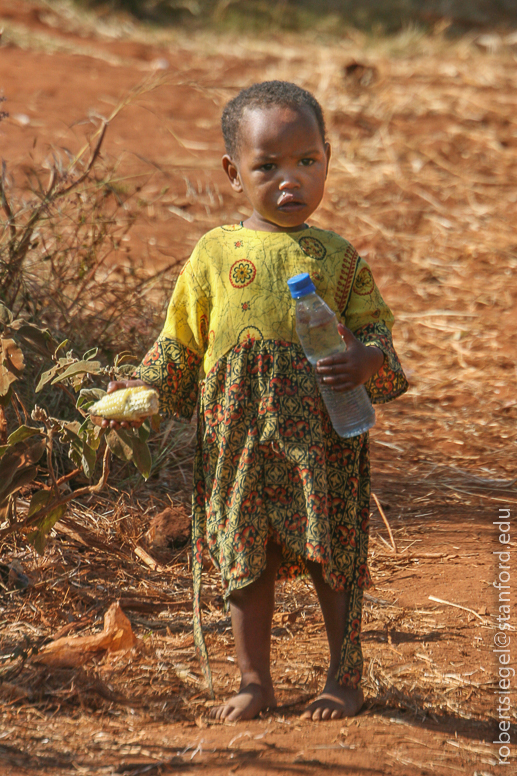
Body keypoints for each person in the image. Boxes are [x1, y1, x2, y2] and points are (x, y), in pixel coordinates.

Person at [105, 81, 408, 722]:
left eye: (307, 162)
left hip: (321, 437)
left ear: (328, 157)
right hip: (237, 437)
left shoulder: (339, 257)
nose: (289, 180)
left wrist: (366, 360)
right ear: (232, 172)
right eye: (267, 166)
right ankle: (253, 681)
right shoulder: (213, 253)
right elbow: (179, 343)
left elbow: (378, 333)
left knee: (335, 552)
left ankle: (345, 677)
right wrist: (140, 386)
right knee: (243, 555)